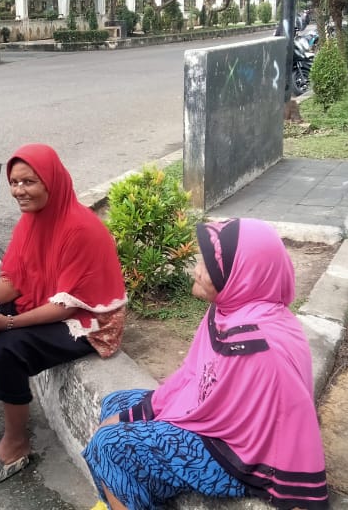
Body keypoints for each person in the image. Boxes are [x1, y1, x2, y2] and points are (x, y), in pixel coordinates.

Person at [0, 143, 128, 488]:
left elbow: (68, 306)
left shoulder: (81, 228)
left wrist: (8, 322)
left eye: (29, 182)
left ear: (51, 182)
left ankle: (16, 444)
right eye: (14, 182)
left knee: (8, 346)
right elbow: (14, 283)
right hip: (49, 302)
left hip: (88, 320)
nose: (18, 190)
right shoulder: (31, 222)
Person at [82, 218, 329, 510]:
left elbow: (281, 421)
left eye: (209, 266)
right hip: (217, 422)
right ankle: (127, 497)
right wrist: (138, 412)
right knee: (115, 403)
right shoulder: (230, 310)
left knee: (110, 444)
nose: (197, 270)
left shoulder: (255, 343)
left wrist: (135, 417)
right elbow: (194, 375)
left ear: (241, 275)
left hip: (237, 454)